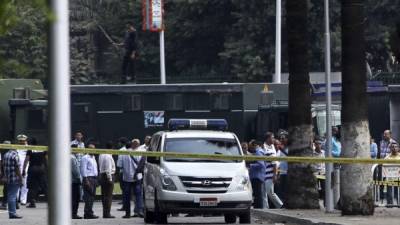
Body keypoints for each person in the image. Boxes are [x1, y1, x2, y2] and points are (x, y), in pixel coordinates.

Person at [120, 139, 144, 218]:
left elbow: (120, 165)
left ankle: (127, 213)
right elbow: (142, 164)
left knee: (127, 196)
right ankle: (139, 211)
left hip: (127, 178)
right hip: (137, 177)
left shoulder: (123, 153)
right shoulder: (141, 152)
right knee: (138, 195)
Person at [23, 137, 47, 208]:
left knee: (32, 186)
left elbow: (26, 160)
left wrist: (24, 170)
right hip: (41, 168)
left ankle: (32, 202)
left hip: (32, 168)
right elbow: (46, 159)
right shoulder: (42, 148)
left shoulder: (30, 149)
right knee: (45, 186)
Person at [262, 132, 283, 209]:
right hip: (264, 173)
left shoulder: (272, 147)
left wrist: (274, 175)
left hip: (269, 174)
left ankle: (280, 205)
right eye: (272, 137)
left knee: (270, 192)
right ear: (268, 138)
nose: (273, 139)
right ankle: (265, 208)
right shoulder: (264, 147)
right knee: (264, 193)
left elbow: (274, 163)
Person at [3, 143, 23, 219]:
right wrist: (21, 179)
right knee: (12, 196)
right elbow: (17, 169)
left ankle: (12, 213)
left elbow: (3, 166)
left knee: (10, 195)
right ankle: (12, 214)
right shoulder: (15, 155)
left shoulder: (6, 155)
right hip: (15, 178)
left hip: (8, 178)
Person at [80, 143, 99, 219]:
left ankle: (90, 212)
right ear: (88, 149)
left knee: (92, 196)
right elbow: (83, 169)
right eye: (91, 148)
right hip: (88, 178)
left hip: (94, 178)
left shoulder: (93, 157)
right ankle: (87, 213)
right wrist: (86, 180)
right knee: (88, 197)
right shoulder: (85, 158)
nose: (93, 150)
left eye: (94, 148)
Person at [99, 141, 116, 218]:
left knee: (104, 196)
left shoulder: (101, 154)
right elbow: (108, 169)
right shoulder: (108, 156)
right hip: (107, 176)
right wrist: (110, 179)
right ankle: (107, 213)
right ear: (112, 148)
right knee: (108, 196)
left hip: (102, 175)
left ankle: (105, 213)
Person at [248, 140, 266, 208]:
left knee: (258, 194)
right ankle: (258, 207)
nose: (251, 149)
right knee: (257, 194)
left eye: (251, 147)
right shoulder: (260, 152)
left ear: (255, 145)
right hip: (258, 176)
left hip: (257, 176)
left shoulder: (258, 152)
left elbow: (261, 165)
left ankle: (259, 208)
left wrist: (251, 165)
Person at [16, 134, 29, 206]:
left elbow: (28, 159)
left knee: (24, 184)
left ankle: (23, 200)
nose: (21, 142)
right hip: (18, 168)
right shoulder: (17, 147)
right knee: (17, 184)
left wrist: (25, 169)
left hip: (25, 168)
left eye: (22, 141)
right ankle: (16, 199)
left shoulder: (28, 148)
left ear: (25, 140)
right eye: (20, 141)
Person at [276, 131, 288, 201]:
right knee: (281, 191)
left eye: (283, 138)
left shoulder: (289, 148)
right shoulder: (280, 149)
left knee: (286, 190)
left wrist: (282, 150)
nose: (281, 140)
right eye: (280, 138)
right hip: (281, 173)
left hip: (288, 173)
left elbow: (290, 157)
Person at [71, 144, 82, 219]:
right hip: (74, 181)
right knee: (75, 198)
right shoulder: (72, 158)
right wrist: (79, 179)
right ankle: (74, 214)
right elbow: (76, 171)